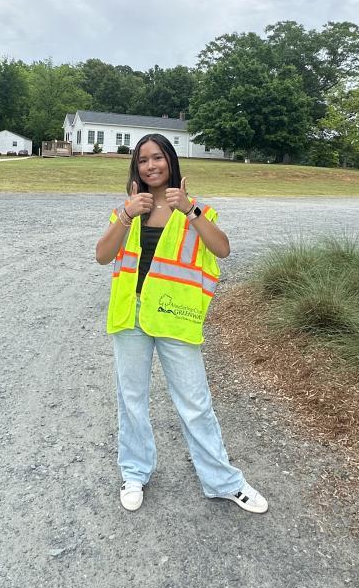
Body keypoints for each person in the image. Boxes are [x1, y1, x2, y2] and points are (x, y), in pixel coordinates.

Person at [95, 133, 268, 515]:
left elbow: (222, 249)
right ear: (136, 167)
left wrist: (190, 210)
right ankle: (134, 473)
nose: (151, 166)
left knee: (195, 402)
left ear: (171, 161)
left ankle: (223, 481)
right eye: (143, 160)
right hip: (131, 315)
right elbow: (103, 255)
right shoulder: (128, 209)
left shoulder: (195, 209)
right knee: (131, 399)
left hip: (175, 316)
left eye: (158, 157)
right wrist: (126, 215)